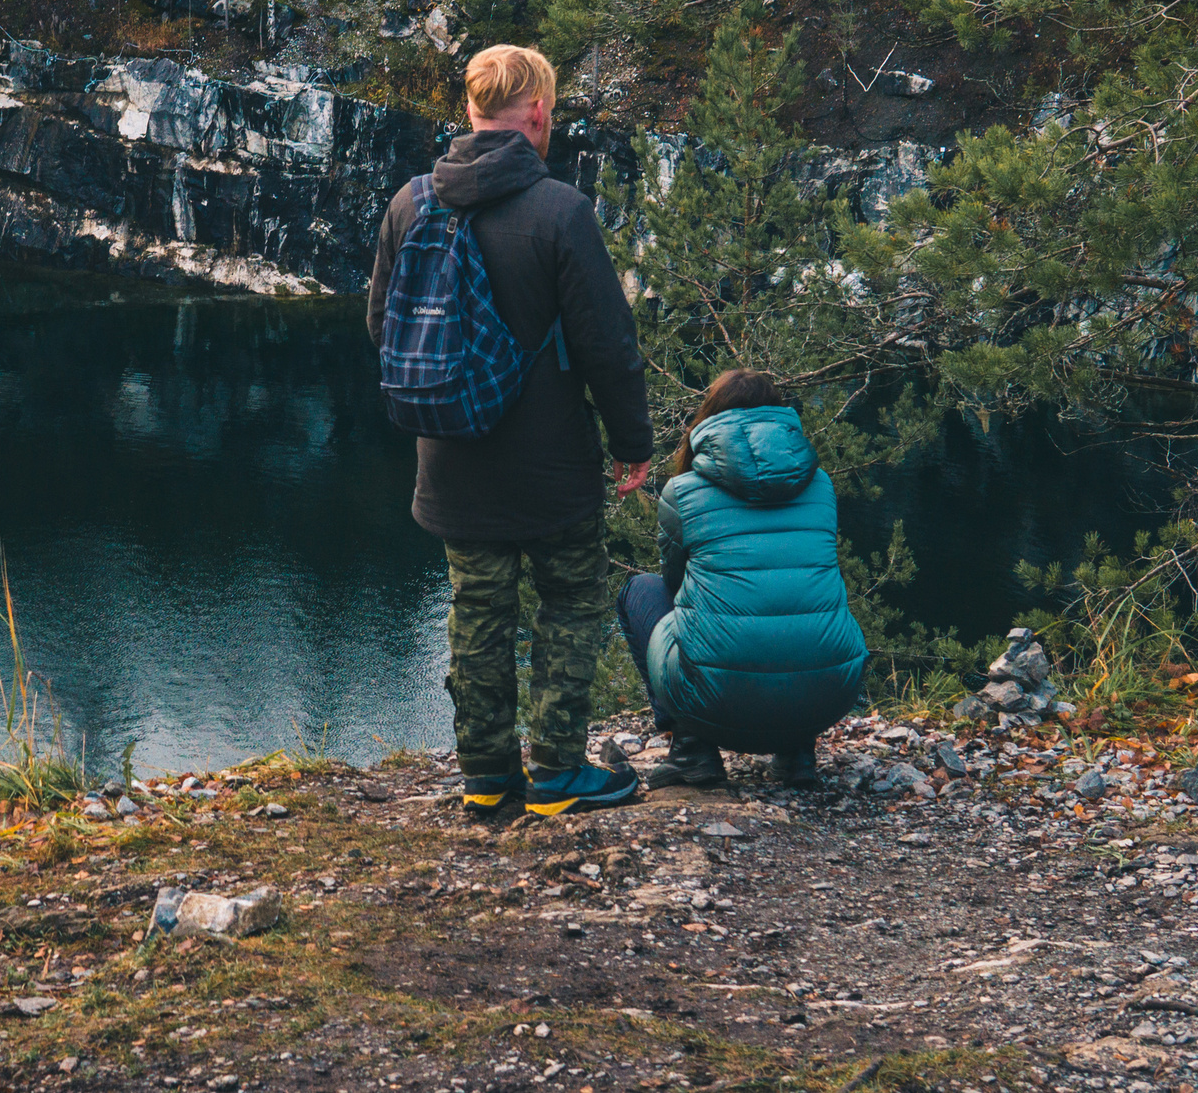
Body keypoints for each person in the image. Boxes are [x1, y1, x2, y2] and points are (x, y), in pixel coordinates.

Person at [367, 45, 657, 818]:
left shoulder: (410, 203)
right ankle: (558, 773)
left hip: (453, 462)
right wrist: (633, 443)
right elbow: (607, 346)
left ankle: (487, 777)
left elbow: (381, 327)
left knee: (477, 613)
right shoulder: (560, 211)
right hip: (551, 465)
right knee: (569, 605)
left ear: (470, 111)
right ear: (536, 113)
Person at [616, 369, 867, 790]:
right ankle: (798, 753)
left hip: (719, 701)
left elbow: (676, 591)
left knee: (640, 591)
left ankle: (692, 748)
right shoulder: (820, 485)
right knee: (802, 603)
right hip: (828, 697)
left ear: (711, 419)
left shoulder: (682, 492)